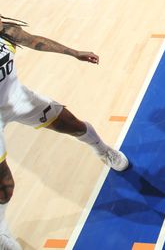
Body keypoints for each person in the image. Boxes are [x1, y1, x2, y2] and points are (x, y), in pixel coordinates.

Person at [0, 15, 129, 250]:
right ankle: (1, 232)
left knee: (74, 125)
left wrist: (73, 52)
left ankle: (103, 151)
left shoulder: (5, 30)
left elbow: (34, 41)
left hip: (17, 99)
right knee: (5, 185)